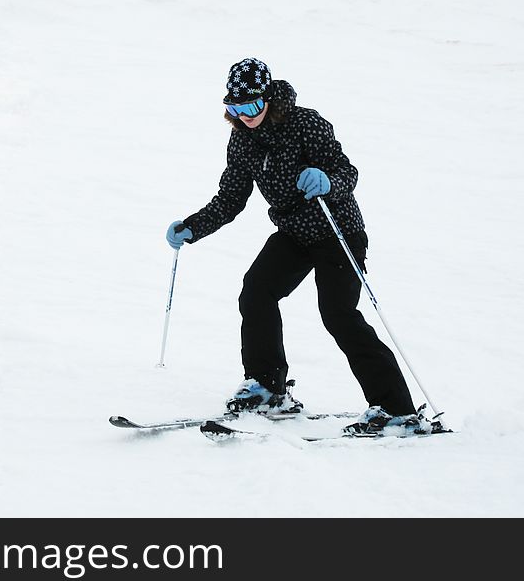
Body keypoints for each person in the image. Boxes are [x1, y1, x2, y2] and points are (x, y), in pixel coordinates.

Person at [166, 57, 419, 433]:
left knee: (338, 315)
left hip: (338, 231)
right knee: (256, 291)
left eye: (251, 106)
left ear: (268, 98)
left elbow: (346, 171)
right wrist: (193, 227)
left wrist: (327, 181)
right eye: (235, 108)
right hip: (295, 234)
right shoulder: (241, 139)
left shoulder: (305, 123)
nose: (244, 115)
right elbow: (231, 198)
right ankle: (267, 387)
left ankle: (397, 410)